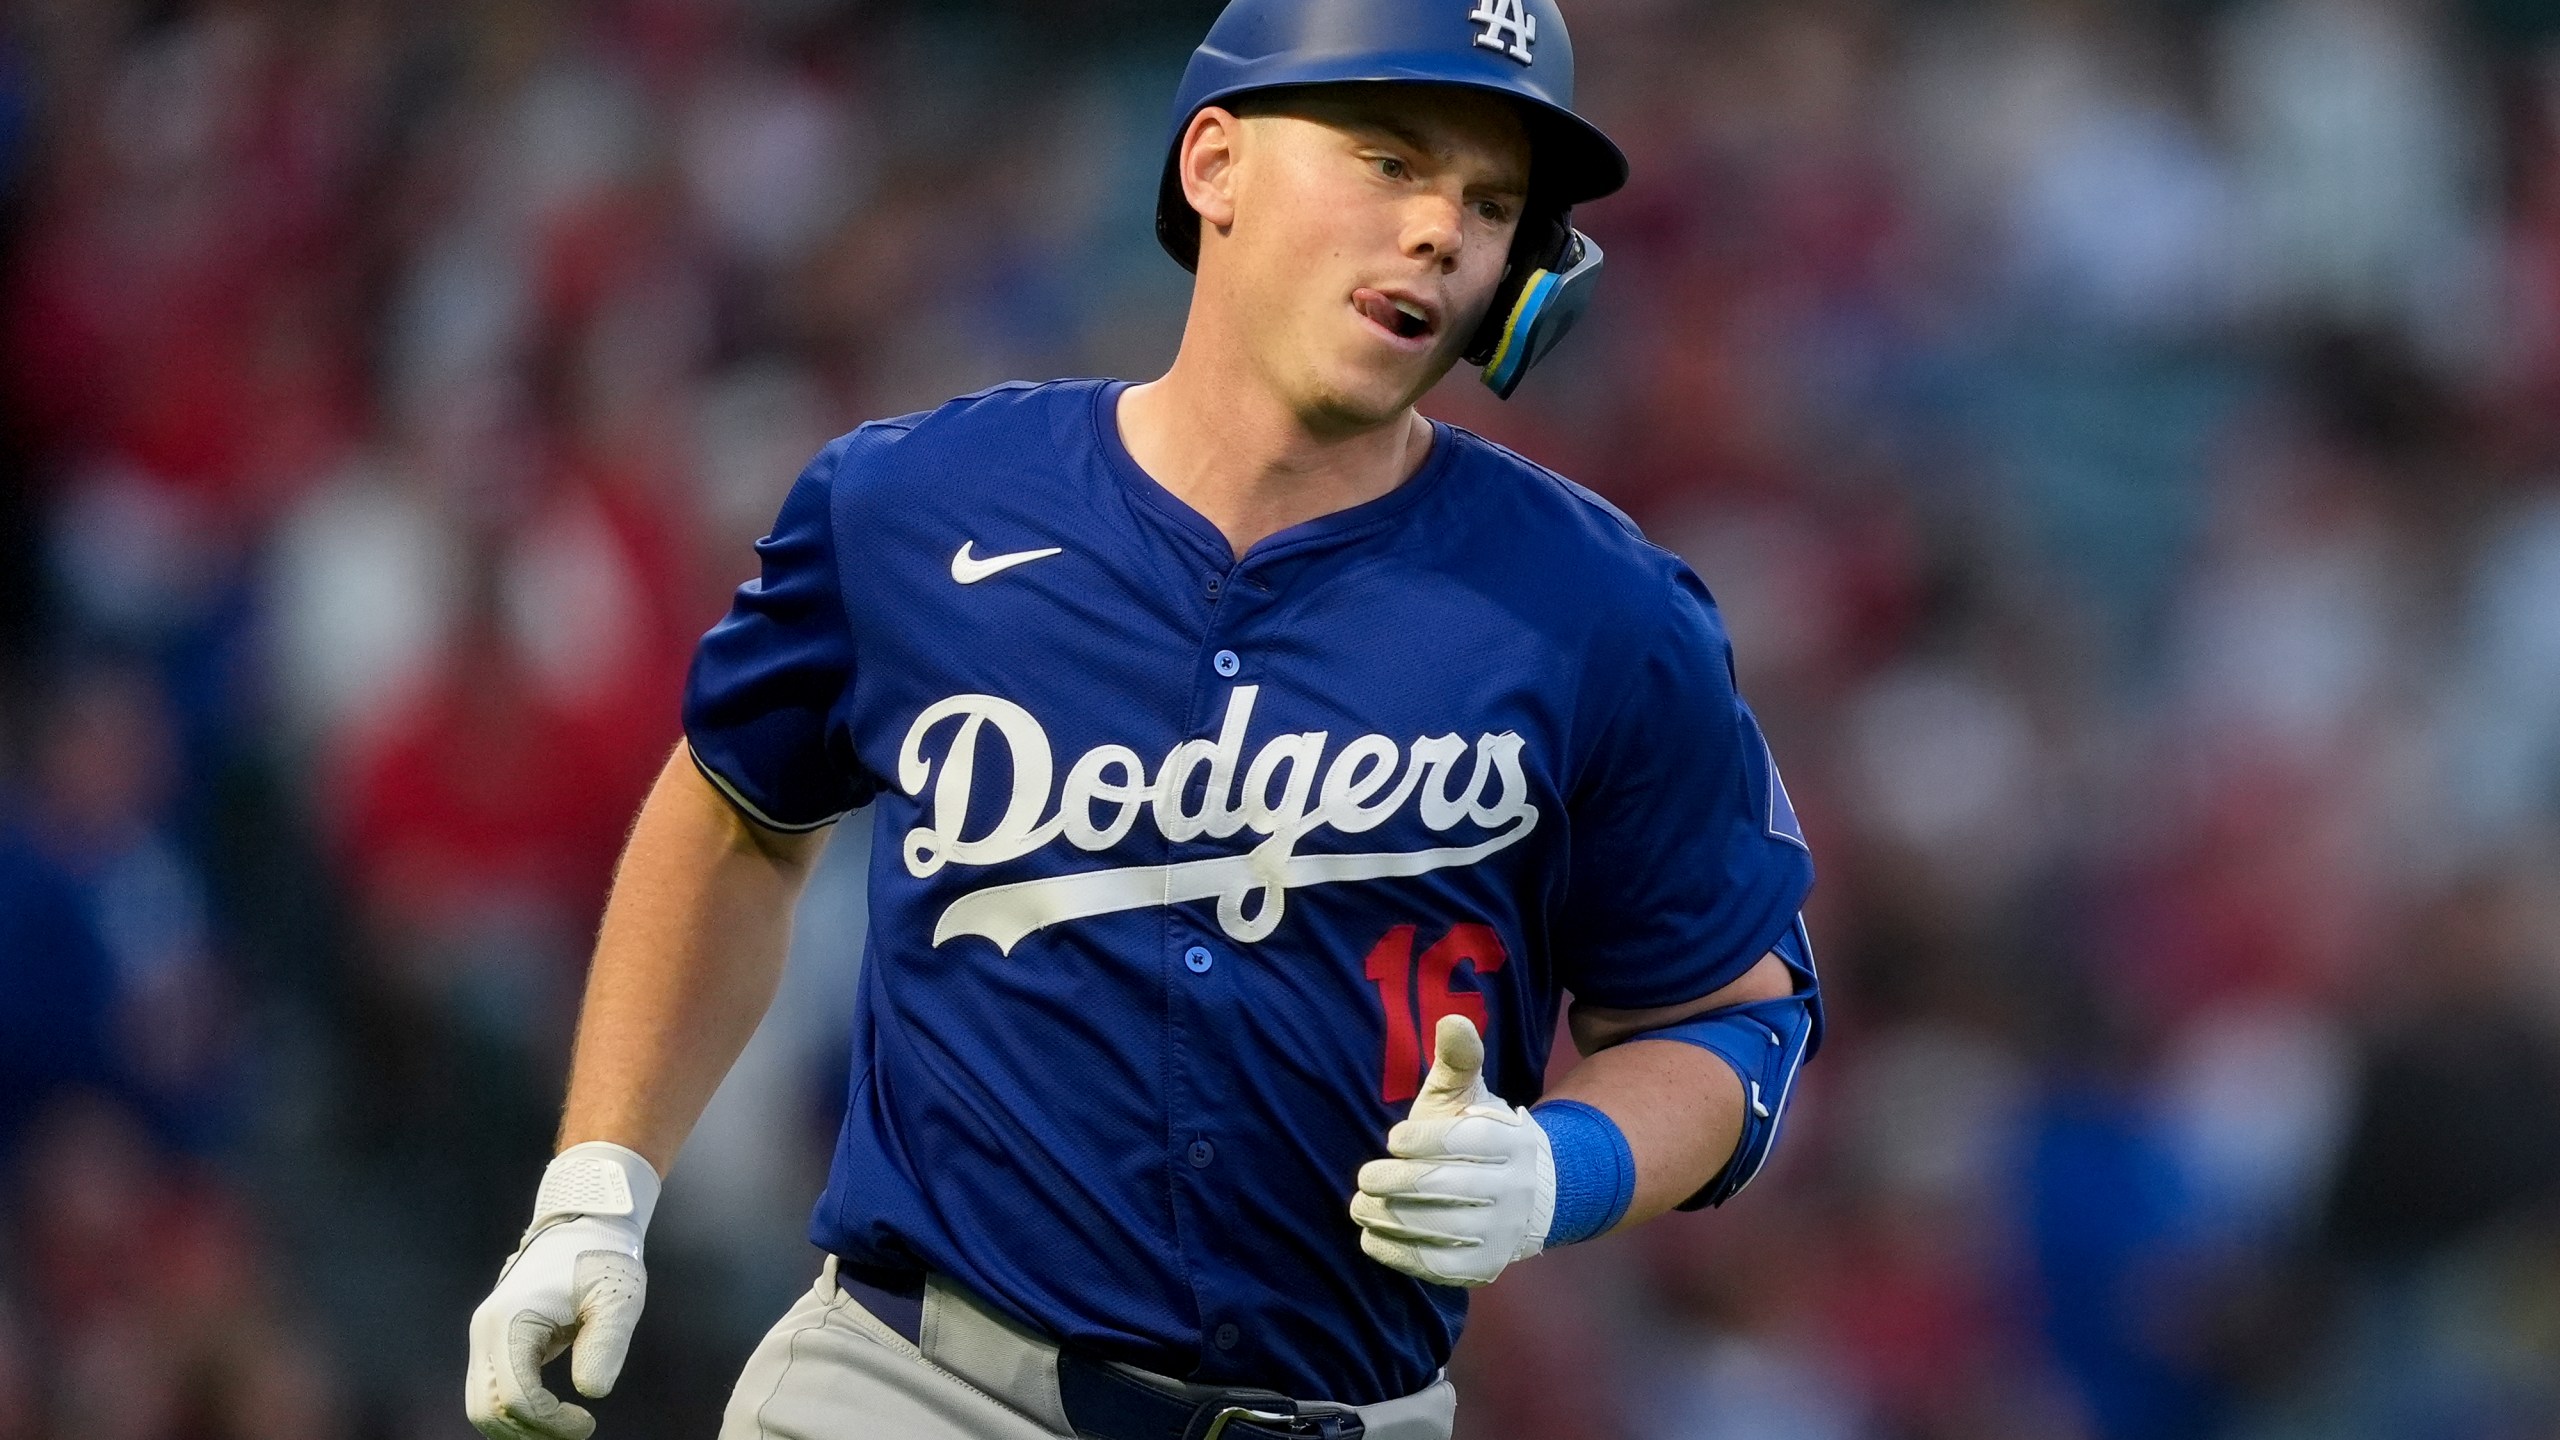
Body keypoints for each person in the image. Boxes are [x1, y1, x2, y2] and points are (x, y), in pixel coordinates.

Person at [465, 2, 1823, 1437]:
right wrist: (595, 1193)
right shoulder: (916, 509)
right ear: (1214, 166)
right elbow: (737, 818)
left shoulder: (1602, 610)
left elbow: (1733, 1026)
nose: (1441, 230)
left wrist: (1566, 1167)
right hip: (912, 1384)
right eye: (1387, 160)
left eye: (1491, 204)